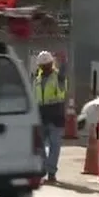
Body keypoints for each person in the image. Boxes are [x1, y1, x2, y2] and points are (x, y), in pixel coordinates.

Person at [33, 51, 67, 183]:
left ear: (51, 64)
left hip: (55, 116)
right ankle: (44, 169)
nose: (44, 68)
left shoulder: (58, 77)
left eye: (46, 65)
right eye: (42, 65)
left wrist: (64, 62)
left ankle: (51, 172)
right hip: (41, 116)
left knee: (55, 146)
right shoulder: (37, 80)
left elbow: (63, 74)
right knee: (39, 146)